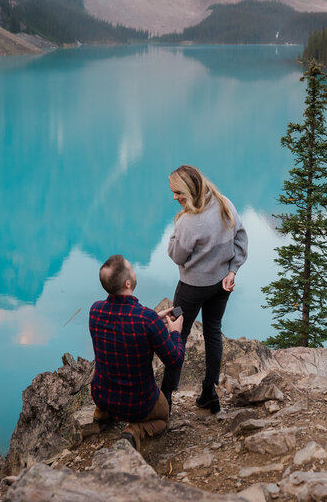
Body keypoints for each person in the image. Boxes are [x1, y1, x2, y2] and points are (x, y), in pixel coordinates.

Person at [160, 164, 248, 415]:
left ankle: (166, 397)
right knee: (213, 332)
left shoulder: (188, 221)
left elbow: (177, 255)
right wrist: (232, 270)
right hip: (221, 285)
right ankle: (209, 393)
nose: (175, 198)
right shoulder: (224, 204)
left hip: (192, 287)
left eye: (178, 193)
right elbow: (241, 239)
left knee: (178, 335)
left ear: (190, 190)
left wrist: (174, 234)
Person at [89, 254, 185, 453]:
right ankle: (136, 430)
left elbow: (123, 321)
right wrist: (175, 332)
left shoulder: (95, 310)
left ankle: (103, 413)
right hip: (139, 405)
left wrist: (154, 319)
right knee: (163, 417)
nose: (134, 271)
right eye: (131, 268)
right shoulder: (146, 320)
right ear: (127, 283)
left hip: (102, 395)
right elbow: (174, 360)